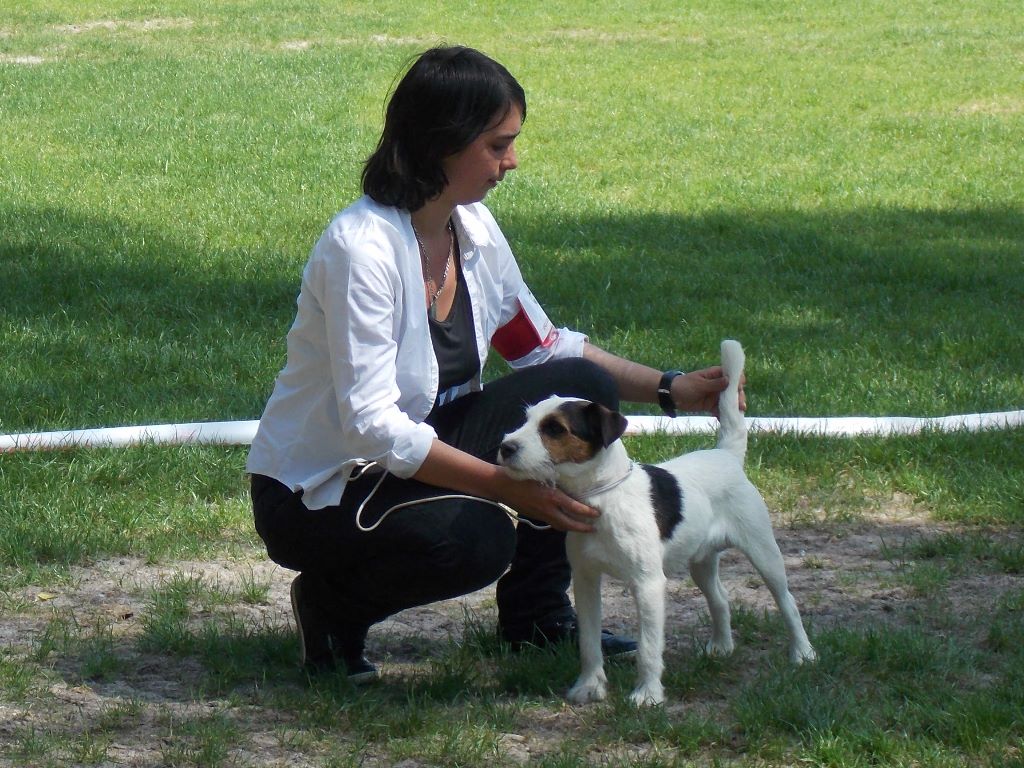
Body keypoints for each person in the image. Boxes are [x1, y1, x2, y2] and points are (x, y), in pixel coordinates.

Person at [247, 45, 741, 683]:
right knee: (475, 539)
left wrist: (673, 389)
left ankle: (537, 618)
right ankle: (331, 608)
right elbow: (372, 425)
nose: (512, 161)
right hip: (319, 490)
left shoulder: (473, 228)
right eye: (498, 145)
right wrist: (500, 485)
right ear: (441, 143)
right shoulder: (360, 250)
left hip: (410, 451)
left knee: (582, 384)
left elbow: (545, 349)